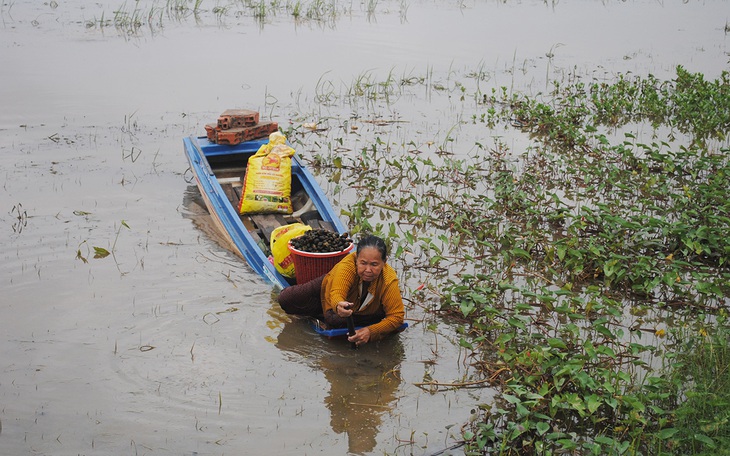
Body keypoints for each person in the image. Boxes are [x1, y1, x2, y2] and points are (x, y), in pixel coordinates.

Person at [277, 235, 405, 346]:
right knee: (287, 298)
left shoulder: (388, 279)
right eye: (363, 263)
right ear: (356, 259)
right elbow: (337, 292)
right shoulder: (347, 266)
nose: (368, 270)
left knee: (339, 321)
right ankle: (323, 314)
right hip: (329, 290)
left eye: (374, 264)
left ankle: (350, 320)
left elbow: (397, 316)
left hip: (363, 312)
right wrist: (339, 305)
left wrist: (370, 332)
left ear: (384, 262)